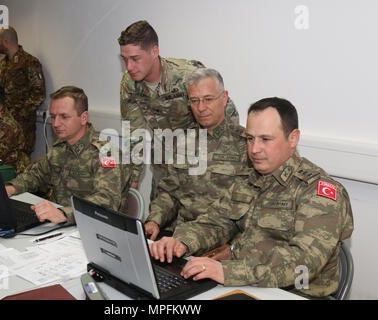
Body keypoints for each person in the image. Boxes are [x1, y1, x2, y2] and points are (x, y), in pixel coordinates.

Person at [149, 97, 354, 298]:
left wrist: (227, 271)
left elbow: (304, 263)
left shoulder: (318, 191)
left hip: (295, 293)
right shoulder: (251, 178)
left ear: (293, 138)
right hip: (246, 286)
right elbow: (217, 221)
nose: (254, 149)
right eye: (250, 138)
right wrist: (182, 241)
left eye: (265, 139)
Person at [119, 20, 239, 200]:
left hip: (198, 170)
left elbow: (226, 115)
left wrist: (222, 169)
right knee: (158, 222)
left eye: (135, 58)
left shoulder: (187, 76)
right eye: (125, 59)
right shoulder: (129, 84)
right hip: (164, 170)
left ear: (154, 51)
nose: (129, 67)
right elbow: (134, 134)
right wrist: (132, 182)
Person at [144, 68, 249, 240]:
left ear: (224, 98)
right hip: (180, 239)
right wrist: (154, 220)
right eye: (194, 100)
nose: (201, 108)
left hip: (222, 245)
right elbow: (170, 191)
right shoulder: (183, 141)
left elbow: (247, 211)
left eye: (208, 99)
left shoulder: (246, 145)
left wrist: (233, 249)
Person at [5, 86, 130, 225]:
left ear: (83, 118)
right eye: (53, 117)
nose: (56, 123)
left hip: (95, 228)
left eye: (64, 117)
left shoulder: (107, 154)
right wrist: (11, 188)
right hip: (63, 227)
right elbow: (36, 174)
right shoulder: (60, 148)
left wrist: (64, 213)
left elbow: (105, 201)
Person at [0, 26, 46, 155]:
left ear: (6, 41)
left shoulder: (30, 62)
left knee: (21, 166)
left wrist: (20, 113)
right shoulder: (2, 64)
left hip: (22, 128)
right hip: (4, 126)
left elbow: (39, 94)